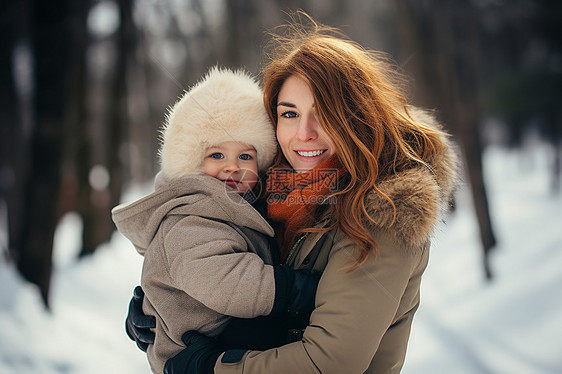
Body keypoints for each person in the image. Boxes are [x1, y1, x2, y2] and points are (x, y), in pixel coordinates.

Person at [126, 14, 459, 374]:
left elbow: (331, 360)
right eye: (289, 113)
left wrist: (211, 369)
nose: (304, 133)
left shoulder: (384, 210)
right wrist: (167, 300)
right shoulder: (275, 193)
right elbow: (214, 255)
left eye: (324, 114)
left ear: (357, 116)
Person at [112, 67, 320, 373]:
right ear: (192, 164)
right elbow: (224, 280)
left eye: (245, 157)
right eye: (217, 156)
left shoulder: (244, 205)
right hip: (198, 350)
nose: (233, 167)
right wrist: (294, 288)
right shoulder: (192, 216)